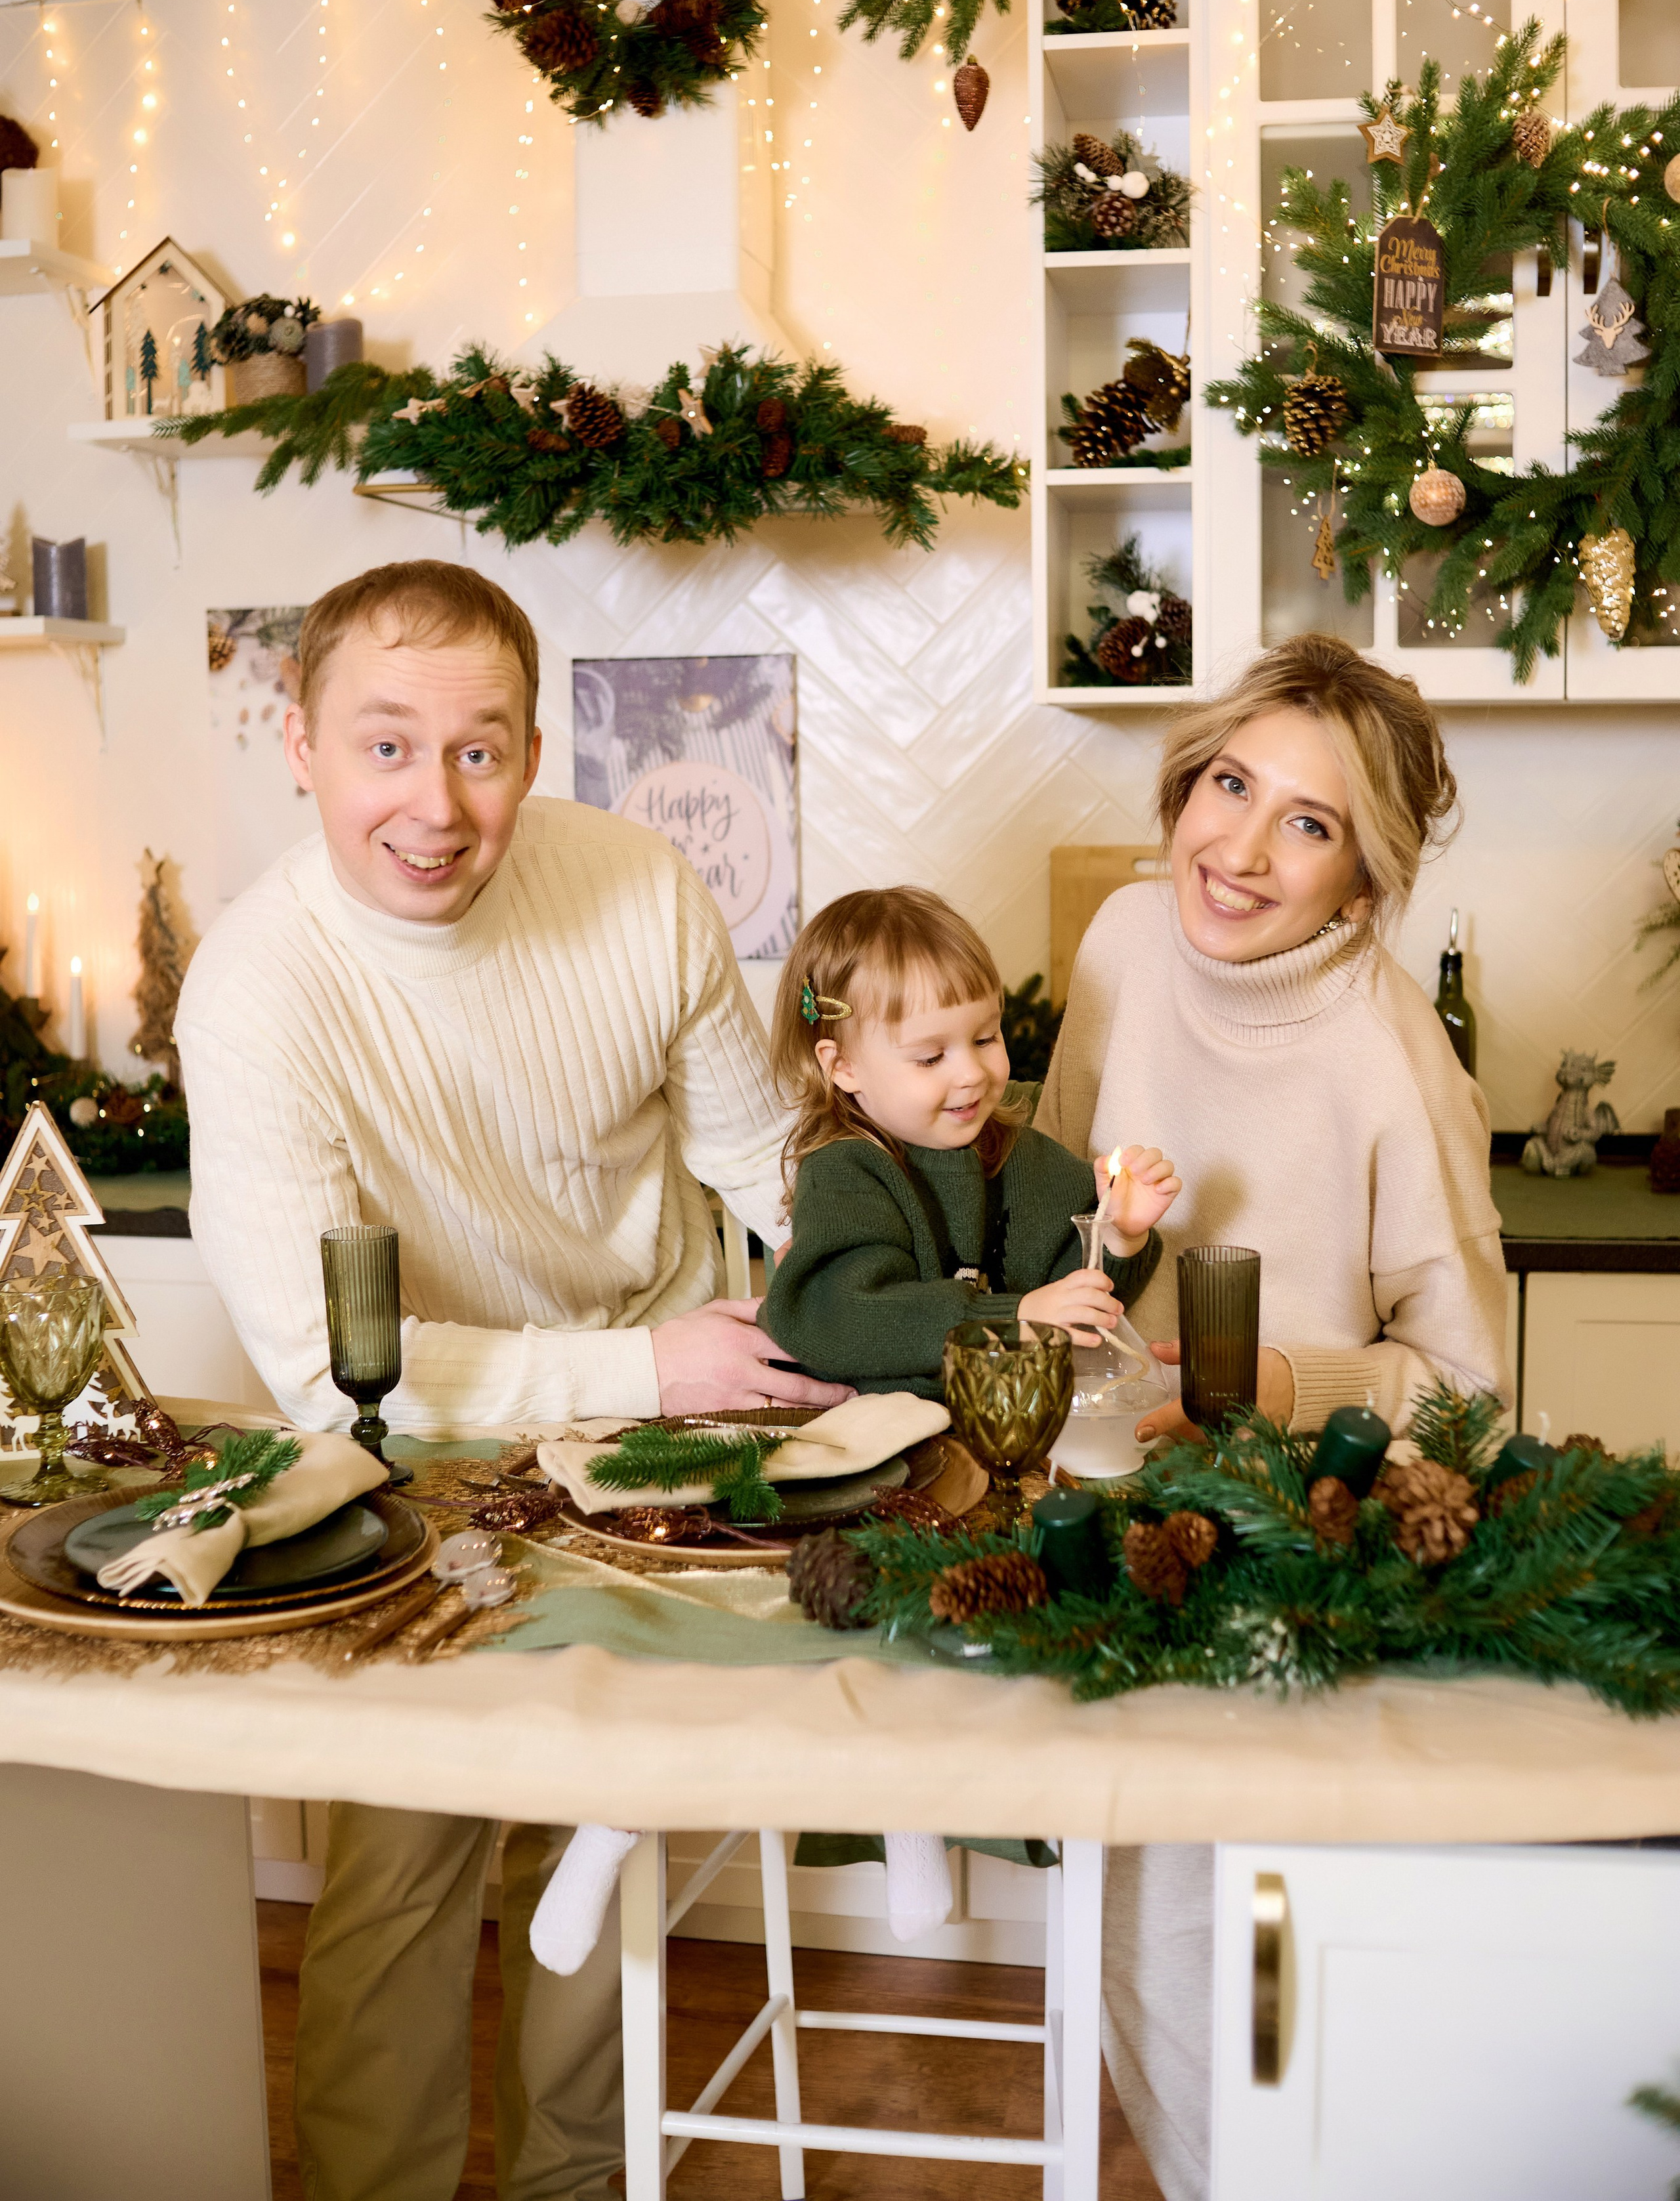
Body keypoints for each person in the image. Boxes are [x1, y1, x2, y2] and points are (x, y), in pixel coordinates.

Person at [177, 559, 847, 2201]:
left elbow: (772, 1166)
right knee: (399, 1865)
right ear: (301, 745)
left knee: (589, 1855)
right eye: (386, 746)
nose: (434, 800)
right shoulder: (260, 989)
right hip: (409, 1465)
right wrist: (651, 1353)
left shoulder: (638, 885)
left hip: (651, 1457)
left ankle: (576, 2181)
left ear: (534, 752)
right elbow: (331, 1373)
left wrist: (891, 1283)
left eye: (478, 749)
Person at [1035, 634, 1512, 2201]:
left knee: (1253, 1951)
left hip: (1292, 1550)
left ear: (1361, 883)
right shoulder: (1116, 940)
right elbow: (1056, 1222)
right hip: (1113, 1519)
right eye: (1227, 784)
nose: (1235, 848)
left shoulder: (1391, 1056)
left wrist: (1268, 1388)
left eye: (1302, 823)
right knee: (1138, 1938)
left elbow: (1470, 1394)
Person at [761, 886, 1181, 1392]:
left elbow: (1081, 1315)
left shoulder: (1023, 1153)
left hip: (1009, 1427)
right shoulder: (846, 1171)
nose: (972, 1074)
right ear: (843, 1067)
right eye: (930, 1058)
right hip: (879, 1440)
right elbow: (843, 1318)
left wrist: (1116, 1237)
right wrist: (1013, 1317)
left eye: (985, 1038)